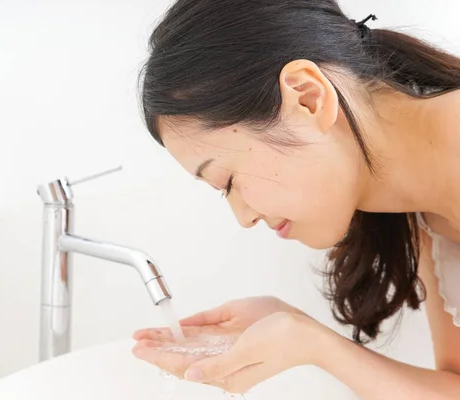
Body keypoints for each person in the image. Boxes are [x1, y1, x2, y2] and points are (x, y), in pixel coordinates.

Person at [130, 0, 460, 398]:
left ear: (308, 97)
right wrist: (310, 341)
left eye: (227, 180)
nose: (244, 218)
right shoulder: (423, 205)